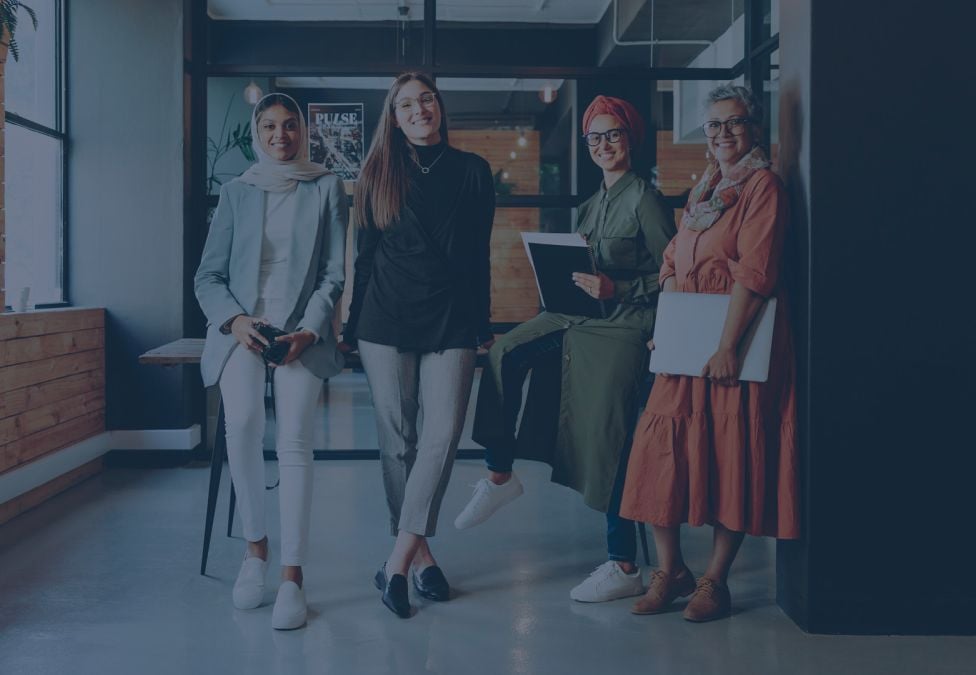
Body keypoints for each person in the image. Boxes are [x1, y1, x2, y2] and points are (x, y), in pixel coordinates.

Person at [455, 95, 676, 603]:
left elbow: (675, 275)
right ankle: (499, 474)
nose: (603, 145)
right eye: (594, 138)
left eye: (612, 135)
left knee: (607, 436)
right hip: (578, 313)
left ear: (630, 139)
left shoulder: (645, 198)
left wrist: (617, 290)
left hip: (625, 324)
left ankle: (623, 563)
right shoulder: (591, 203)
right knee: (504, 352)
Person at [620, 84, 799, 622]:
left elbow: (755, 271)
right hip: (689, 338)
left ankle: (714, 581)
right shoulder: (707, 189)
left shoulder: (762, 186)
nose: (723, 133)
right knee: (657, 452)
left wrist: (726, 347)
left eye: (735, 123)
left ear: (755, 130)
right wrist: (670, 329)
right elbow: (673, 261)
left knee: (731, 456)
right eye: (715, 124)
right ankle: (670, 571)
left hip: (734, 339)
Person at [343, 72, 495, 619]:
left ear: (439, 106)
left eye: (425, 99)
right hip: (384, 318)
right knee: (397, 440)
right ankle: (422, 556)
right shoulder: (377, 172)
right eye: (406, 103)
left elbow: (478, 255)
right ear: (394, 114)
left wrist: (483, 323)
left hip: (452, 317)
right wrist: (349, 324)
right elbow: (363, 257)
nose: (418, 109)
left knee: (443, 434)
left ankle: (395, 563)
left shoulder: (474, 171)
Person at [194, 92, 347, 630]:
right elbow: (207, 276)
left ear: (303, 131)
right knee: (240, 423)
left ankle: (292, 576)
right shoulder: (237, 192)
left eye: (289, 126)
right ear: (257, 134)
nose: (280, 136)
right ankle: (255, 552)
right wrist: (236, 323)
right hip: (244, 329)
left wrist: (309, 329)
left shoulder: (327, 186)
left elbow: (334, 272)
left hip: (301, 330)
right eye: (268, 127)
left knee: (295, 441)